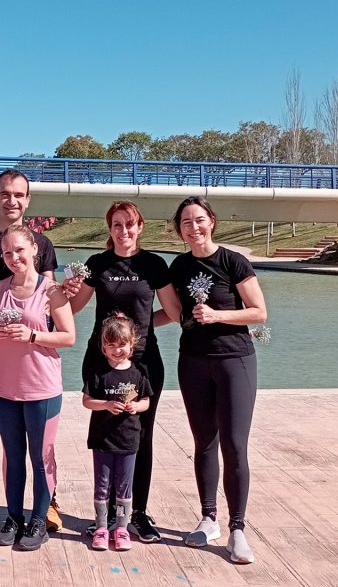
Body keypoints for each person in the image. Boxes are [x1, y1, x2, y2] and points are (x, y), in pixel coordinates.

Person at [0, 169, 67, 534]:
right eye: (4, 194)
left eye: (19, 194)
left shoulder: (43, 243)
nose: (12, 200)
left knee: (41, 440)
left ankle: (47, 502)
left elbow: (52, 308)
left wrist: (38, 334)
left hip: (32, 358)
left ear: (27, 199)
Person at [164, 195, 267, 564]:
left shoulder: (232, 261)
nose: (194, 227)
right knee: (204, 442)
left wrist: (218, 315)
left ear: (212, 221)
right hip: (192, 361)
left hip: (233, 360)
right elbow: (174, 313)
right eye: (186, 222)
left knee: (235, 445)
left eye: (199, 220)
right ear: (179, 230)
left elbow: (258, 312)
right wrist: (131, 319)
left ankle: (238, 528)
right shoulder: (178, 266)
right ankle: (209, 519)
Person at [68, 200, 178, 543]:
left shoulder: (154, 264)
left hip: (143, 362)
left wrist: (139, 328)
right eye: (117, 225)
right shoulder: (97, 264)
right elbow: (72, 307)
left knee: (138, 436)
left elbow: (172, 311)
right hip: (101, 360)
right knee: (105, 433)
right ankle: (104, 519)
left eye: (130, 224)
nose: (124, 231)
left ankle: (135, 515)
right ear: (110, 229)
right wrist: (62, 290)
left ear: (140, 226)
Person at [0, 223, 75, 551]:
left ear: (34, 249)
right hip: (4, 387)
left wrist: (32, 335)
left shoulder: (52, 290)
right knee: (12, 455)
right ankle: (13, 516)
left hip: (42, 388)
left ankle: (39, 518)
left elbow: (69, 336)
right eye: (7, 253)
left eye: (19, 250)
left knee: (41, 456)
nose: (14, 257)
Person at [81, 313, 152, 552]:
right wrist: (106, 405)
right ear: (103, 346)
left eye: (122, 345)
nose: (116, 350)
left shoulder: (139, 373)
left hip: (129, 440)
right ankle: (101, 527)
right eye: (110, 345)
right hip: (102, 440)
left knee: (124, 487)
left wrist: (136, 406)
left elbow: (146, 402)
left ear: (132, 344)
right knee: (102, 486)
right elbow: (87, 401)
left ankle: (121, 528)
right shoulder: (98, 372)